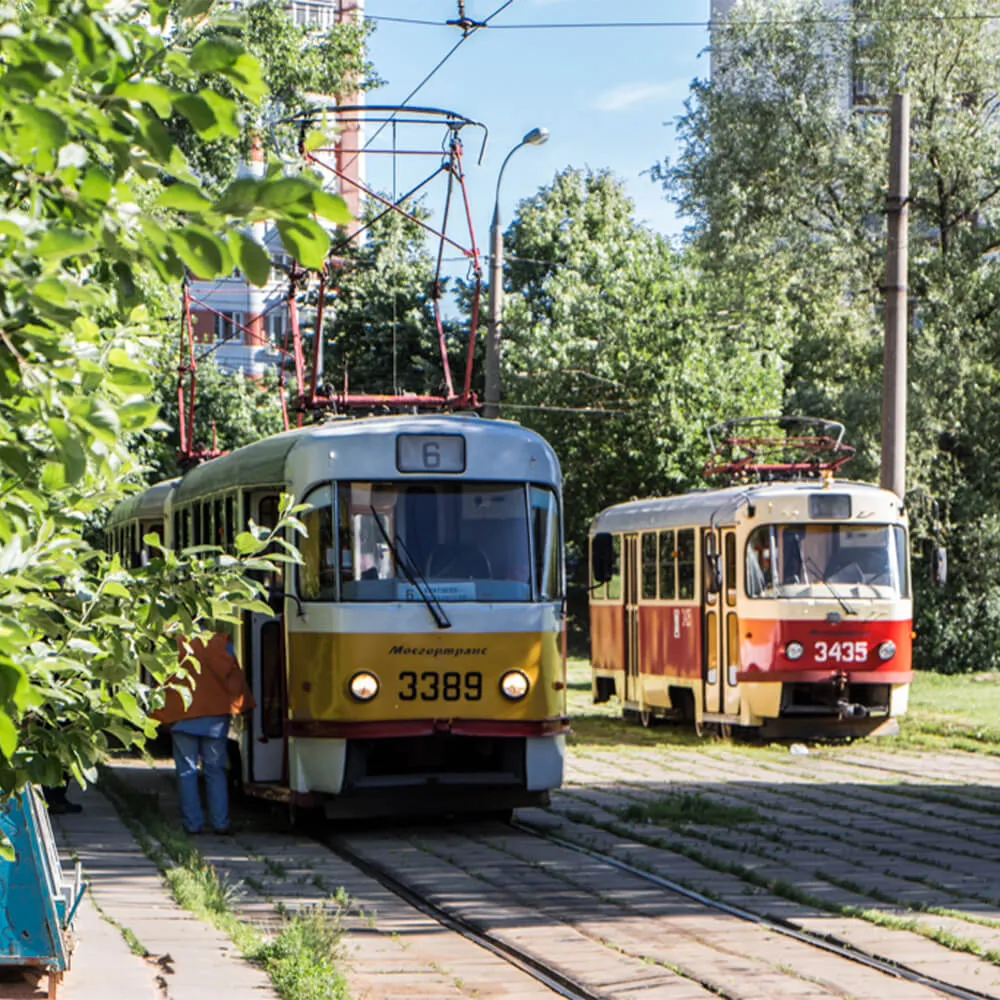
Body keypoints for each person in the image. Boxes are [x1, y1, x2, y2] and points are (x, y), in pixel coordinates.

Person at [153, 633, 255, 835]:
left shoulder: (174, 642)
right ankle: (220, 822)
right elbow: (234, 677)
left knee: (186, 772)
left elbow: (161, 679)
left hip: (183, 715)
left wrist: (158, 715)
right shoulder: (219, 642)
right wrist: (245, 705)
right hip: (215, 718)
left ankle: (192, 824)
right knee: (215, 771)